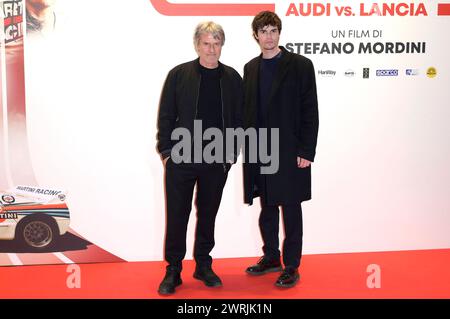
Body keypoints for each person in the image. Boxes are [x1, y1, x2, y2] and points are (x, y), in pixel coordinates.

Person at [156, 21, 243, 295]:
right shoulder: (179, 75)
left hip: (216, 160)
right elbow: (166, 115)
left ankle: (203, 265)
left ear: (222, 46)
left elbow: (240, 119)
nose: (211, 49)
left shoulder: (232, 78)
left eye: (216, 43)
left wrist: (230, 155)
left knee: (208, 215)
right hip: (181, 159)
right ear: (197, 45)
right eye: (206, 43)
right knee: (177, 215)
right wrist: (167, 152)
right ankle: (173, 270)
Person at [242, 11, 319, 288]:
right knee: (267, 206)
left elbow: (310, 110)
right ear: (256, 36)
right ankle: (271, 257)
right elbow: (247, 110)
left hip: (289, 149)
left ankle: (292, 265)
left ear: (279, 33)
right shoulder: (250, 68)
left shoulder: (300, 65)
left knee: (290, 207)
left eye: (273, 30)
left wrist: (306, 150)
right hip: (261, 149)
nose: (269, 36)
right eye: (263, 31)